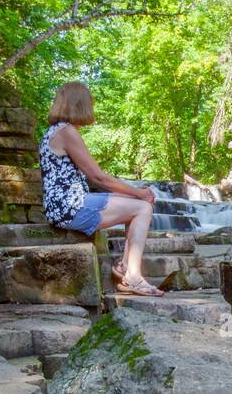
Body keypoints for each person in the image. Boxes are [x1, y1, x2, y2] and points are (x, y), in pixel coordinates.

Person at [39, 81, 163, 296]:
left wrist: (135, 193)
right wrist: (138, 192)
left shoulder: (56, 131)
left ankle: (125, 267)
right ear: (80, 104)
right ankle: (132, 276)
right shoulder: (66, 132)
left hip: (67, 203)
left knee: (139, 203)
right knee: (142, 208)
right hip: (69, 207)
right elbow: (97, 177)